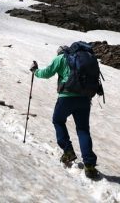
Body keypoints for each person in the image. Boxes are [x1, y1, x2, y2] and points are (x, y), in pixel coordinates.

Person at [30, 46, 99, 179]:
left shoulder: (61, 58)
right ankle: (89, 165)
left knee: (58, 120)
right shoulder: (83, 59)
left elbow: (46, 73)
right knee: (83, 130)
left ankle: (68, 151)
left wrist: (35, 71)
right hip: (84, 99)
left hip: (66, 98)